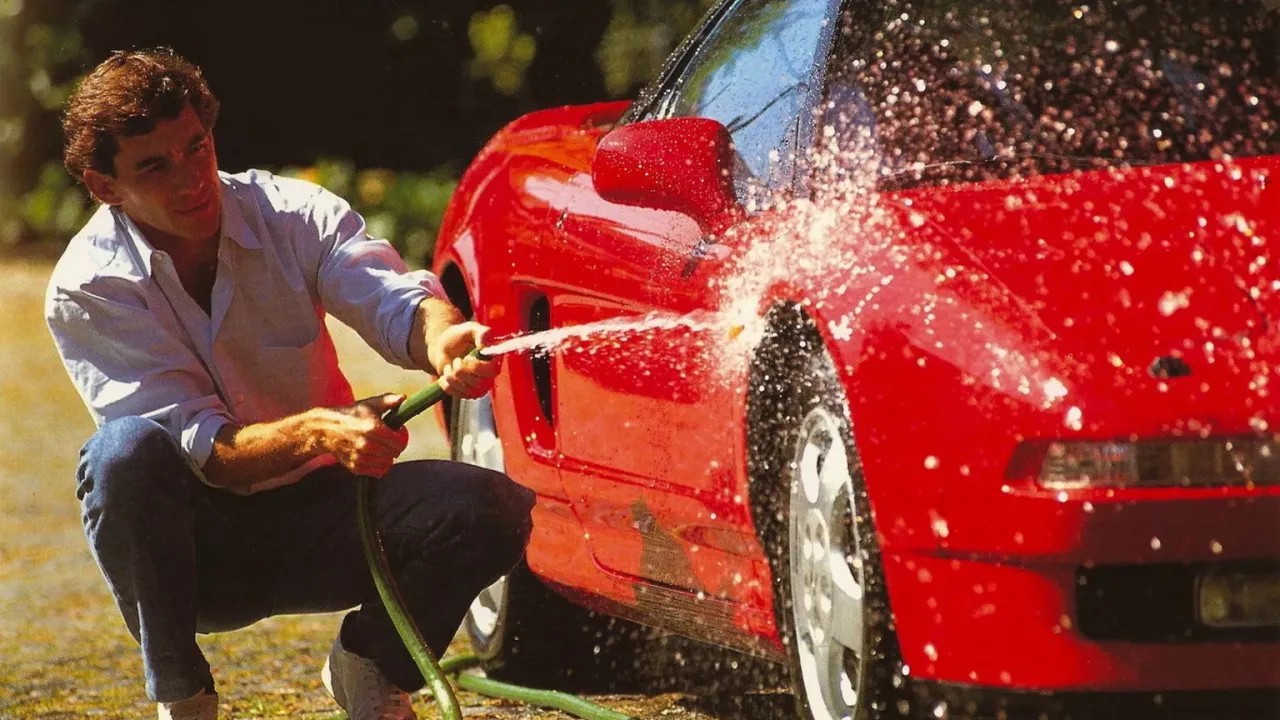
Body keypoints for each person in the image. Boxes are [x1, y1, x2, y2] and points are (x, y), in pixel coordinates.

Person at [44, 48, 535, 720]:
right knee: (121, 456)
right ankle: (183, 696)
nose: (192, 179)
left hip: (327, 515)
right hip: (198, 551)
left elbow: (389, 297)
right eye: (155, 166)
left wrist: (444, 338)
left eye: (197, 147)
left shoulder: (292, 211)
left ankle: (368, 665)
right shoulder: (87, 287)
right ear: (104, 187)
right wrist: (322, 427)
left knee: (494, 507)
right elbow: (201, 448)